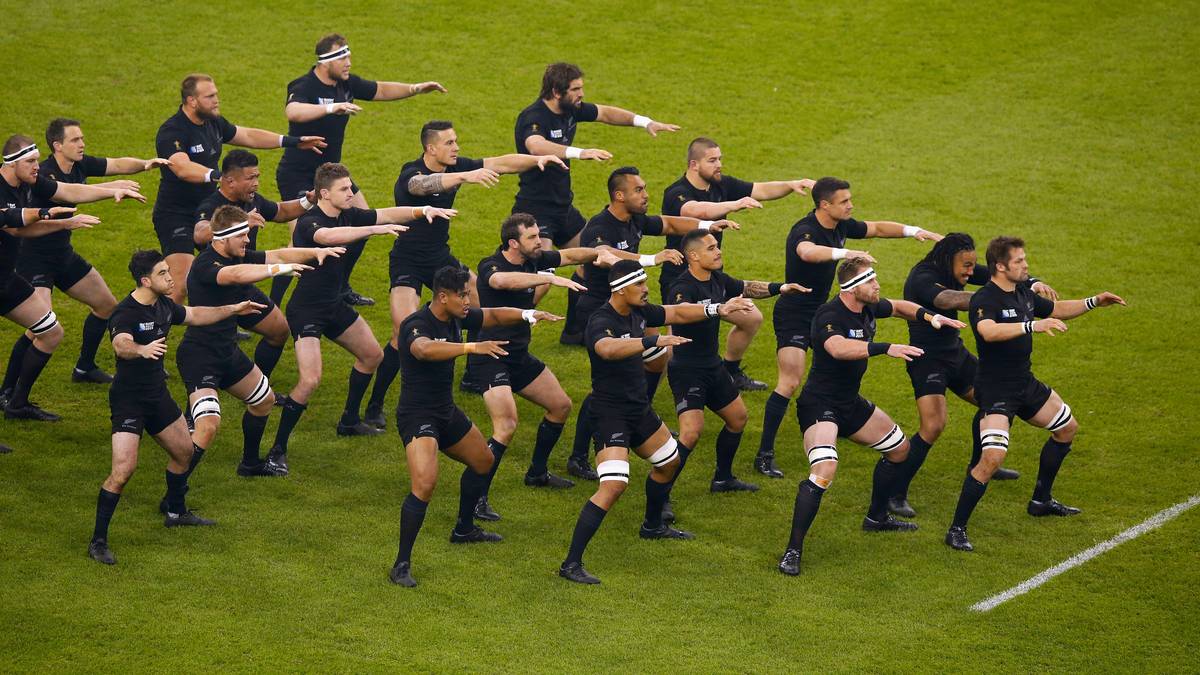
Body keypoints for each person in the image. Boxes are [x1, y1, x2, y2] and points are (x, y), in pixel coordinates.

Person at [558, 259, 754, 585]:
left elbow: (676, 314)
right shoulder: (601, 320)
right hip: (610, 414)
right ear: (621, 289)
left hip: (639, 410)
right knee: (614, 486)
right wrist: (651, 342)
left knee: (669, 462)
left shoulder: (640, 312)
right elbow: (606, 349)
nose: (647, 289)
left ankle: (652, 526)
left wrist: (718, 309)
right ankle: (571, 563)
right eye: (640, 285)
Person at [777, 258, 965, 576]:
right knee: (824, 469)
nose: (877, 286)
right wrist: (884, 347)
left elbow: (903, 306)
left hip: (849, 403)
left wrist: (931, 317)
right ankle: (792, 551)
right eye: (871, 281)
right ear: (851, 288)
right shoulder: (829, 315)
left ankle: (876, 518)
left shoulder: (868, 307)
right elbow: (837, 348)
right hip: (820, 405)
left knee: (900, 449)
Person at [267, 163, 455, 471]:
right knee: (310, 379)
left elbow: (388, 213)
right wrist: (371, 230)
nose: (351, 193)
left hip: (334, 306)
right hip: (307, 311)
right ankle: (277, 449)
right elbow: (328, 237)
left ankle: (349, 420)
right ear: (324, 193)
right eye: (344, 189)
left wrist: (423, 210)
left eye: (351, 188)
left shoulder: (347, 214)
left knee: (372, 355)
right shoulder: (310, 223)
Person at [365, 119, 566, 405]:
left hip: (440, 258)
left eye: (456, 141)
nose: (456, 147)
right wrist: (463, 177)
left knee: (480, 304)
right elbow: (421, 186)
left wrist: (538, 159)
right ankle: (374, 406)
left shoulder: (456, 165)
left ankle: (473, 374)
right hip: (407, 261)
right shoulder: (411, 173)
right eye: (449, 143)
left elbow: (500, 163)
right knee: (403, 332)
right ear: (430, 148)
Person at [945, 237, 1124, 552]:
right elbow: (988, 331)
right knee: (992, 458)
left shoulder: (1023, 292)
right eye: (1019, 262)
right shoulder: (985, 298)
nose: (1026, 266)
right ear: (1000, 267)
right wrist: (1031, 327)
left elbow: (1056, 308)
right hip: (996, 389)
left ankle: (1041, 500)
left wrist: (1094, 301)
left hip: (1023, 384)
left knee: (1067, 428)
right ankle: (956, 529)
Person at [755, 176, 942, 479]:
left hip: (825, 312)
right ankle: (764, 454)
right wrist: (845, 254)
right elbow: (807, 252)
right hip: (795, 313)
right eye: (844, 201)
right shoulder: (804, 230)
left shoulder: (842, 225)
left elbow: (878, 228)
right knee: (789, 381)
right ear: (824, 205)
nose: (850, 205)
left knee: (835, 370)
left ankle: (833, 422)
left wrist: (914, 231)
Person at [87, 249, 265, 565]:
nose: (170, 278)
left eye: (169, 272)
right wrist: (141, 350)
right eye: (162, 274)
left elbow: (196, 314)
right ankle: (98, 541)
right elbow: (120, 344)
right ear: (145, 280)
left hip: (157, 396)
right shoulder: (125, 313)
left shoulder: (164, 306)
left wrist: (233, 308)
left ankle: (175, 510)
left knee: (184, 453)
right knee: (123, 471)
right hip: (129, 401)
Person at [388, 266, 560, 587]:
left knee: (483, 461)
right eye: (463, 295)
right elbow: (423, 350)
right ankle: (401, 564)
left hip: (445, 412)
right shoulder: (417, 324)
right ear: (443, 297)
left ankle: (464, 529)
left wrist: (526, 314)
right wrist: (471, 347)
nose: (468, 300)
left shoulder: (457, 317)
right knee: (424, 485)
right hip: (418, 416)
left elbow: (493, 316)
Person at [563, 166, 738, 481]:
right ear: (620, 195)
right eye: (639, 190)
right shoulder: (599, 227)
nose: (646, 195)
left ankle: (641, 414)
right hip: (600, 312)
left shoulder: (635, 220)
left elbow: (670, 223)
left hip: (632, 311)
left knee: (657, 359)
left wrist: (707, 225)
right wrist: (651, 259)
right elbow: (602, 253)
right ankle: (579, 455)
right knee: (606, 386)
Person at [456, 213, 618, 522]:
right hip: (490, 357)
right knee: (506, 425)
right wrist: (548, 277)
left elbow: (571, 254)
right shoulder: (492, 265)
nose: (539, 242)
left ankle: (537, 473)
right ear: (513, 243)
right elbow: (502, 281)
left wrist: (599, 253)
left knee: (560, 405)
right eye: (532, 238)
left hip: (518, 356)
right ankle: (478, 499)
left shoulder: (535, 257)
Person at [888, 233, 1059, 516]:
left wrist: (1031, 282)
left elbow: (998, 275)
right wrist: (997, 302)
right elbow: (946, 300)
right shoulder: (922, 277)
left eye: (973, 265)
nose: (971, 271)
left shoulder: (961, 266)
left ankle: (980, 463)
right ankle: (895, 493)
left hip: (955, 353)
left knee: (992, 400)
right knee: (933, 426)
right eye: (966, 266)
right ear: (948, 260)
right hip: (927, 360)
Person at [274, 33, 446, 308]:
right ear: (325, 62)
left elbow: (380, 90)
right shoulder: (304, 85)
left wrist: (415, 88)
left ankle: (340, 288)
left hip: (333, 173)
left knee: (364, 222)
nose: (348, 62)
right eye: (342, 57)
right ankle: (272, 305)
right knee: (301, 246)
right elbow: (293, 112)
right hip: (299, 174)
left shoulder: (346, 83)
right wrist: (331, 108)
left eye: (348, 55)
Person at [513, 62, 679, 342]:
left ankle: (575, 330)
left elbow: (605, 113)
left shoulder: (571, 110)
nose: (581, 94)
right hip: (535, 210)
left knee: (588, 260)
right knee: (542, 278)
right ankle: (510, 320)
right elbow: (535, 145)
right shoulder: (534, 116)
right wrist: (580, 152)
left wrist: (644, 121)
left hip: (563, 209)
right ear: (556, 91)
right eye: (575, 89)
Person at [177, 204, 344, 482]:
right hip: (200, 356)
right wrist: (278, 270)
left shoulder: (235, 255)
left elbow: (276, 253)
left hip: (227, 353)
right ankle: (174, 498)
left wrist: (315, 253)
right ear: (222, 238)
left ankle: (250, 464)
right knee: (207, 428)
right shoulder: (207, 265)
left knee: (264, 401)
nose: (247, 239)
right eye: (241, 235)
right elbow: (235, 276)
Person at [13, 118, 167, 385]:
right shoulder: (44, 174)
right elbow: (71, 194)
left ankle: (84, 368)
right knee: (40, 327)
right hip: (34, 260)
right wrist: (112, 189)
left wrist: (144, 164)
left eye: (82, 138)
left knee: (106, 306)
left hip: (62, 255)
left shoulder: (79, 164)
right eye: (75, 140)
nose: (82, 144)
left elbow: (116, 163)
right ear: (57, 145)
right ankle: (10, 391)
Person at [0, 135, 143, 420]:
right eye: (29, 161)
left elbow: (67, 193)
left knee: (51, 332)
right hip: (27, 265)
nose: (36, 166)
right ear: (12, 163)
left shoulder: (30, 181)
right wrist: (44, 212)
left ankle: (15, 403)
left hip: (6, 278)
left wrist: (69, 220)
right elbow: (11, 219)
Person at [660, 137, 817, 391]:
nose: (719, 164)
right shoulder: (677, 193)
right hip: (680, 279)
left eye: (720, 158)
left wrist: (790, 184)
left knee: (751, 318)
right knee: (676, 345)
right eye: (712, 160)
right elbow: (696, 210)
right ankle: (656, 394)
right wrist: (734, 204)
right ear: (694, 164)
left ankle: (730, 371)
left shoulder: (721, 184)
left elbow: (761, 189)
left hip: (713, 277)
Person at [667, 229, 809, 508]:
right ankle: (662, 494)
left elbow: (745, 286)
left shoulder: (717, 279)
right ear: (693, 256)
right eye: (710, 248)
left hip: (713, 367)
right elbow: (681, 311)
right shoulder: (682, 287)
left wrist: (781, 287)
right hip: (687, 370)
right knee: (691, 433)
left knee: (738, 419)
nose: (718, 251)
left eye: (717, 246)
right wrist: (716, 309)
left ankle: (723, 478)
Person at [153, 73, 325, 302]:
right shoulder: (172, 132)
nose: (216, 100)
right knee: (181, 284)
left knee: (226, 269)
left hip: (215, 210)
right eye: (210, 96)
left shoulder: (212, 122)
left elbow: (247, 135)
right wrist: (221, 177)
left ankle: (226, 319)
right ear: (191, 101)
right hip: (178, 214)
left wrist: (292, 141)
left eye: (216, 94)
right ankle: (157, 332)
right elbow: (182, 168)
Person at [194, 149, 317, 377]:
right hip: (214, 289)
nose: (256, 183)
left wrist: (307, 202)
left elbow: (280, 211)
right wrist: (240, 224)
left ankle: (258, 383)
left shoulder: (252, 201)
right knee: (211, 350)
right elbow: (199, 234)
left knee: (280, 331)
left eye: (257, 177)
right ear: (230, 180)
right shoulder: (212, 205)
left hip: (244, 283)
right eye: (250, 178)